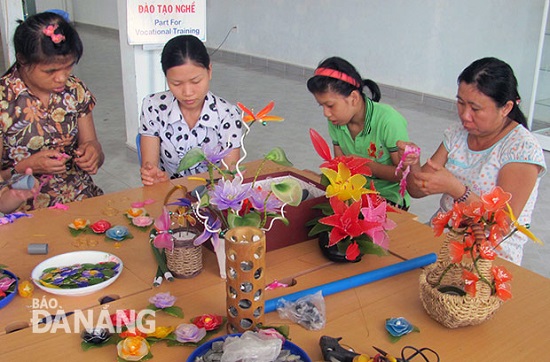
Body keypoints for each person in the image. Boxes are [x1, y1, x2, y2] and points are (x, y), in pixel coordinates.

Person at [397, 57, 546, 265]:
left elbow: (502, 224)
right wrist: (414, 164)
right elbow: (416, 190)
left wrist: (457, 189)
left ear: (506, 108)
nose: (465, 115)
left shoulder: (521, 149)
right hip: (444, 236)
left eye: (475, 109)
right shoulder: (457, 134)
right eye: (460, 103)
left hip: (488, 254)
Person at [0, 12, 104, 210]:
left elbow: (94, 148)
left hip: (80, 199)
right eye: (50, 71)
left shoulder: (75, 90)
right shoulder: (3, 101)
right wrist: (25, 167)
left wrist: (93, 153)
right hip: (25, 209)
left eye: (68, 67)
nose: (61, 78)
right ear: (22, 59)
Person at [307, 56, 411, 209]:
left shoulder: (388, 120)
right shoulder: (336, 120)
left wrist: (367, 166)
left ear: (354, 98)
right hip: (353, 193)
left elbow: (404, 175)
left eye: (330, 105)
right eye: (321, 106)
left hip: (387, 199)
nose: (326, 113)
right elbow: (341, 165)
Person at [139, 35, 243, 185]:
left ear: (209, 71)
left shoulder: (228, 115)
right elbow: (150, 168)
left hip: (211, 200)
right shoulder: (154, 107)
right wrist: (153, 177)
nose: (187, 92)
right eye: (176, 83)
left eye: (196, 81)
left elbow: (229, 177)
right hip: (167, 194)